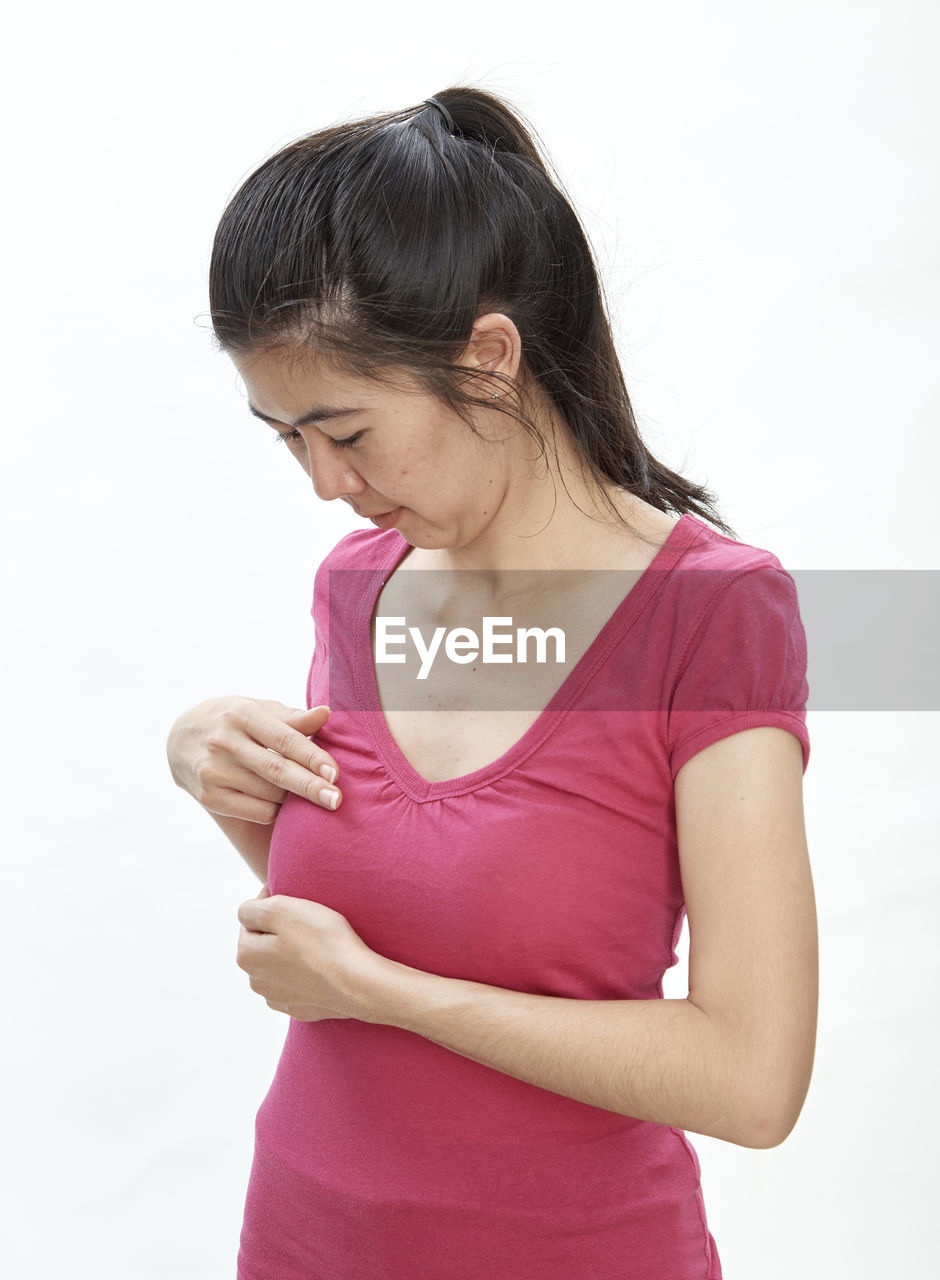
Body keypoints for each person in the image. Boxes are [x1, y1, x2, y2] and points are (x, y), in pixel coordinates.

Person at [166, 87, 818, 1280]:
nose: (321, 480)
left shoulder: (712, 612)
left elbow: (751, 1075)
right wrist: (217, 772)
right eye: (285, 438)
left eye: (346, 432)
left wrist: (381, 992)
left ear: (490, 358)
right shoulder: (357, 586)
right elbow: (425, 900)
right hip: (302, 1236)